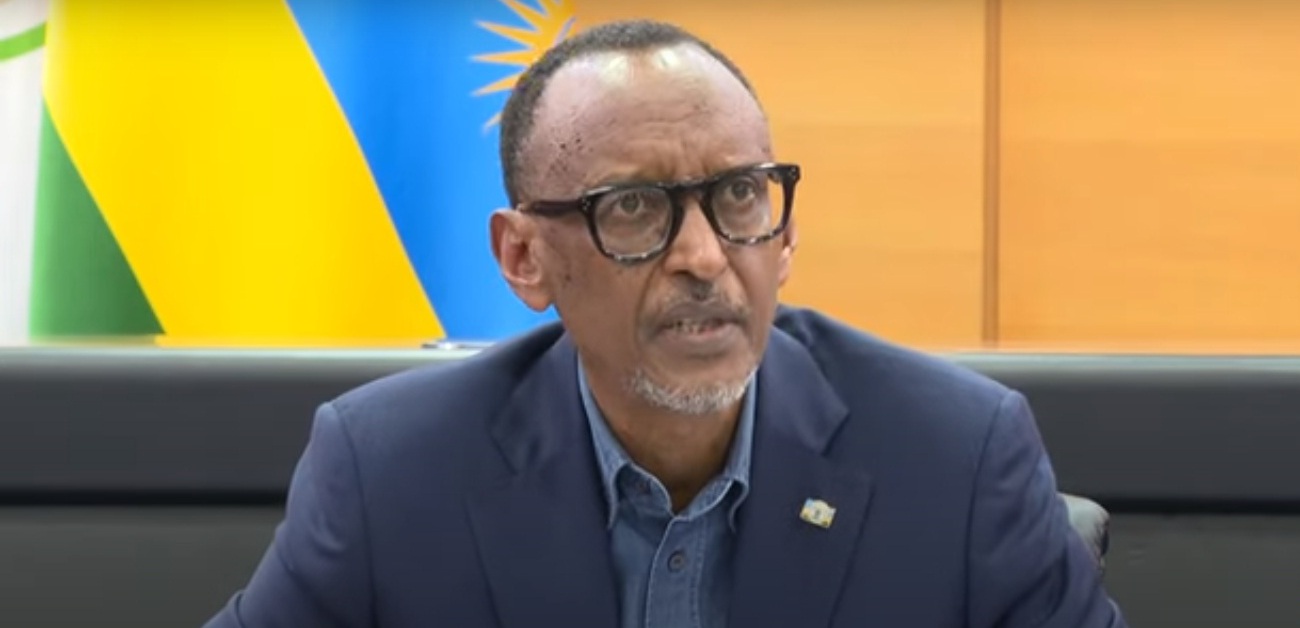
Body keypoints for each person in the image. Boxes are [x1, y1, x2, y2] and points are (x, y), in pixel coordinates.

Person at [205, 19, 1127, 628]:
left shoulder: (957, 458)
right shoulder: (390, 473)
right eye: (636, 208)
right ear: (524, 258)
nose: (703, 255)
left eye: (739, 196)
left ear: (786, 235)